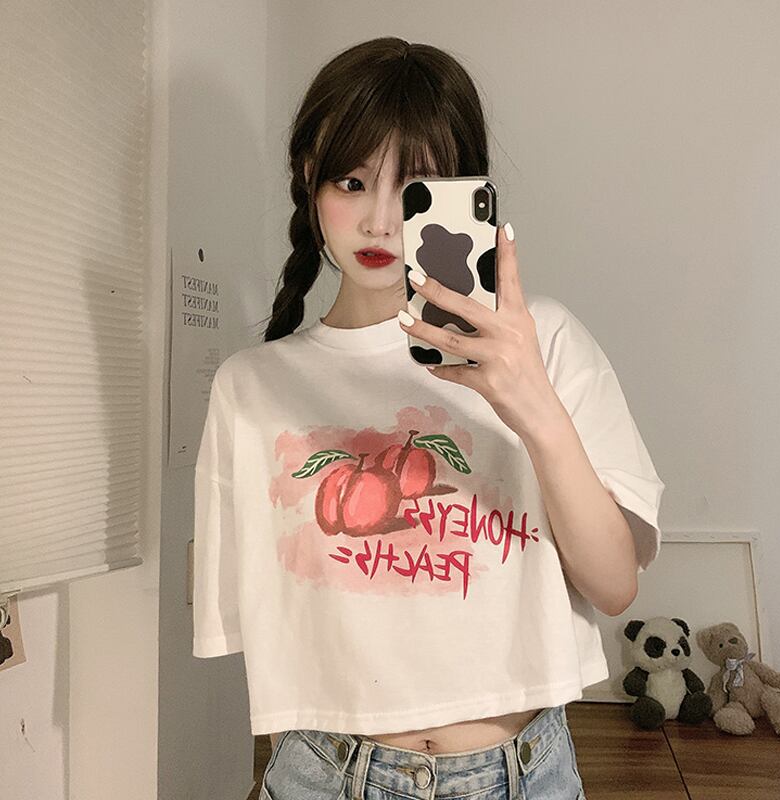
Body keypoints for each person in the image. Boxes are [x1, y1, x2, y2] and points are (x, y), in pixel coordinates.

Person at [192, 37, 665, 800]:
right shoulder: (252, 388)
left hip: (524, 774)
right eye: (352, 182)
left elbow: (613, 587)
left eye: (413, 189)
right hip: (326, 776)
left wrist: (534, 407)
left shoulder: (542, 342)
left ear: (464, 193)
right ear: (308, 180)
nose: (380, 221)